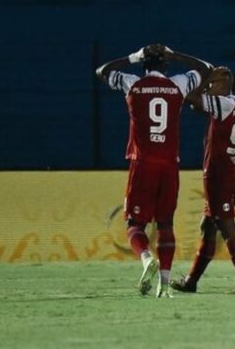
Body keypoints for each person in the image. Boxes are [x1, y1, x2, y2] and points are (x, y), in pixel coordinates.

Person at [95, 44, 212, 298]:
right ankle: (165, 284)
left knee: (134, 224)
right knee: (165, 223)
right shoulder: (179, 84)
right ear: (166, 66)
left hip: (142, 162)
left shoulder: (132, 83)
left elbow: (102, 71)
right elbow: (206, 69)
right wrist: (177, 55)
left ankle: (147, 259)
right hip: (170, 164)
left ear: (143, 64)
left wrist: (132, 57)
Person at [171, 67, 235, 294]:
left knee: (227, 226)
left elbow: (192, 100)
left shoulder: (225, 104)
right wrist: (205, 84)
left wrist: (190, 83)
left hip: (220, 175)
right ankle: (191, 282)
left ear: (225, 83)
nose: (209, 86)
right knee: (208, 227)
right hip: (230, 171)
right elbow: (196, 104)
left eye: (213, 82)